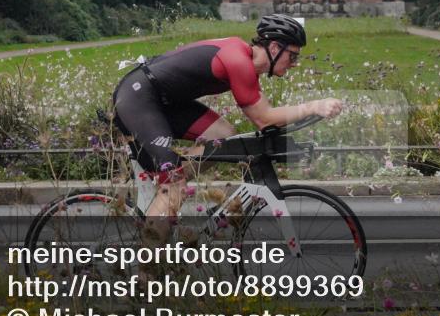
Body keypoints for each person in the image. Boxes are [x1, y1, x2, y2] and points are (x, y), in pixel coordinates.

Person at [112, 14, 343, 226]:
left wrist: (312, 112)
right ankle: (148, 267)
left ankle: (166, 184)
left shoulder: (246, 64)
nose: (294, 63)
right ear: (274, 47)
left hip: (163, 101)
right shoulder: (238, 60)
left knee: (222, 137)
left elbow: (269, 117)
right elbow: (263, 119)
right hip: (138, 98)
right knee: (174, 187)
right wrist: (314, 106)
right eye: (292, 56)